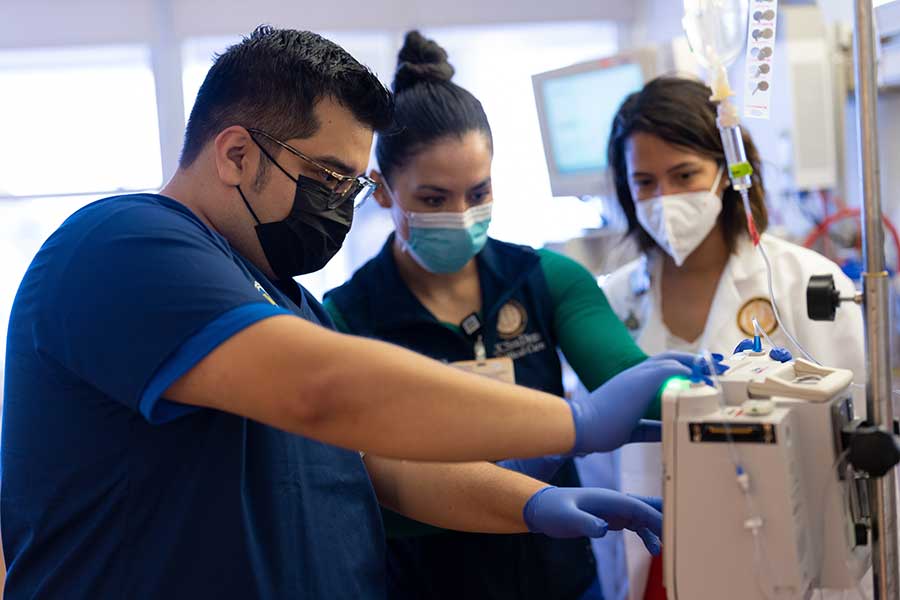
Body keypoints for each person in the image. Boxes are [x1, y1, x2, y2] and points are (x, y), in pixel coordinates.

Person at [1, 28, 690, 599]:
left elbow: (378, 466)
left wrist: (528, 504)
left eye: (353, 187)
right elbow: (325, 392)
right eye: (330, 177)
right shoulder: (123, 244)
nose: (339, 206)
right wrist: (577, 423)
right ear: (237, 153)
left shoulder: (279, 296)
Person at [323, 31, 660, 600]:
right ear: (382, 191)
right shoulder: (348, 316)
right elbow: (365, 485)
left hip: (560, 580)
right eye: (433, 199)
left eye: (477, 193)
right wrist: (508, 491)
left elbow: (631, 383)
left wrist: (711, 385)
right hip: (429, 584)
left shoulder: (545, 279)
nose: (461, 215)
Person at [599, 75, 866, 598]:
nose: (664, 198)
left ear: (727, 171)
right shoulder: (612, 300)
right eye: (645, 182)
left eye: (684, 174)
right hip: (657, 551)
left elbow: (844, 448)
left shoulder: (803, 283)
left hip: (784, 553)